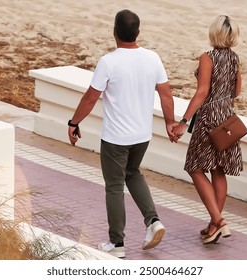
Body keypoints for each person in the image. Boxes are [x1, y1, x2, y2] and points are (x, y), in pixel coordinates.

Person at [67, 9, 177, 258]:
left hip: (116, 139)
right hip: (142, 136)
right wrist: (170, 122)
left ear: (114, 33)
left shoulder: (109, 62)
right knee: (133, 173)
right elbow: (166, 93)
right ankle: (153, 222)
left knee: (114, 187)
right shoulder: (152, 58)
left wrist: (74, 122)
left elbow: (90, 98)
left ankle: (116, 243)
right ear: (138, 33)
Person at [173, 15, 242, 244]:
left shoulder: (208, 57)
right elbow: (236, 92)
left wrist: (184, 121)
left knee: (194, 167)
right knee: (218, 170)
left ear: (214, 33)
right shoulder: (235, 59)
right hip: (228, 117)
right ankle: (214, 226)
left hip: (209, 117)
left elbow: (202, 92)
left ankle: (219, 221)